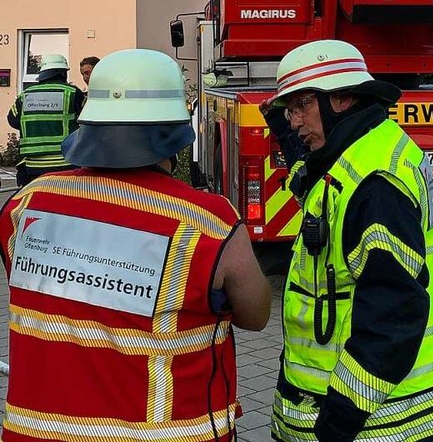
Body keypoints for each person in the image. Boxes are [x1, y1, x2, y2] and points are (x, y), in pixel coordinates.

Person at [0, 48, 270, 442]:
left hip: (35, 432)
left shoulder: (23, 206)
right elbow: (257, 314)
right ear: (174, 136)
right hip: (165, 432)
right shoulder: (208, 221)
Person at [265, 39, 433, 442]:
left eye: (301, 106)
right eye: (291, 110)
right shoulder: (364, 146)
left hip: (383, 427)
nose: (295, 121)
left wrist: (336, 424)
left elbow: (393, 318)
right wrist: (284, 129)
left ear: (341, 99)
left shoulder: (375, 187)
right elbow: (314, 182)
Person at [7, 53, 85, 188]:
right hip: (65, 164)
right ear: (63, 73)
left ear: (42, 73)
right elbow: (88, 120)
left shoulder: (25, 95)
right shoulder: (73, 93)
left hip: (33, 166)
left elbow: (13, 120)